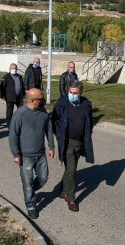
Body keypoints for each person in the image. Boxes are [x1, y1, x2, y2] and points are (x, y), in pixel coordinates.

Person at [9, 88, 55, 219]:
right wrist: (15, 154)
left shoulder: (43, 112)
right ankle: (31, 205)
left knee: (43, 178)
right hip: (25, 155)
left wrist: (51, 146)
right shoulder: (20, 114)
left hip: (40, 154)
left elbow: (49, 129)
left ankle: (29, 191)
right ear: (32, 100)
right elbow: (13, 135)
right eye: (41, 99)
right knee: (27, 182)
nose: (44, 101)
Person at [52, 80, 94, 212]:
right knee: (71, 170)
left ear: (80, 92)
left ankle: (63, 190)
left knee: (71, 168)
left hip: (80, 141)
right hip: (67, 142)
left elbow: (90, 121)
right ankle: (71, 199)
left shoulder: (86, 104)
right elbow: (53, 120)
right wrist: (59, 135)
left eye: (75, 93)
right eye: (70, 92)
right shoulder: (61, 104)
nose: (72, 95)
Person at [0, 63, 25, 129]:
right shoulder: (6, 77)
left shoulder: (19, 76)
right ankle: (9, 124)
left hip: (19, 97)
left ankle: (20, 123)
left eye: (15, 68)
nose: (14, 70)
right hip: (9, 97)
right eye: (12, 68)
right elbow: (1, 87)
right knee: (9, 112)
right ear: (9, 69)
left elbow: (22, 85)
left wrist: (23, 94)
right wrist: (2, 96)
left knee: (21, 111)